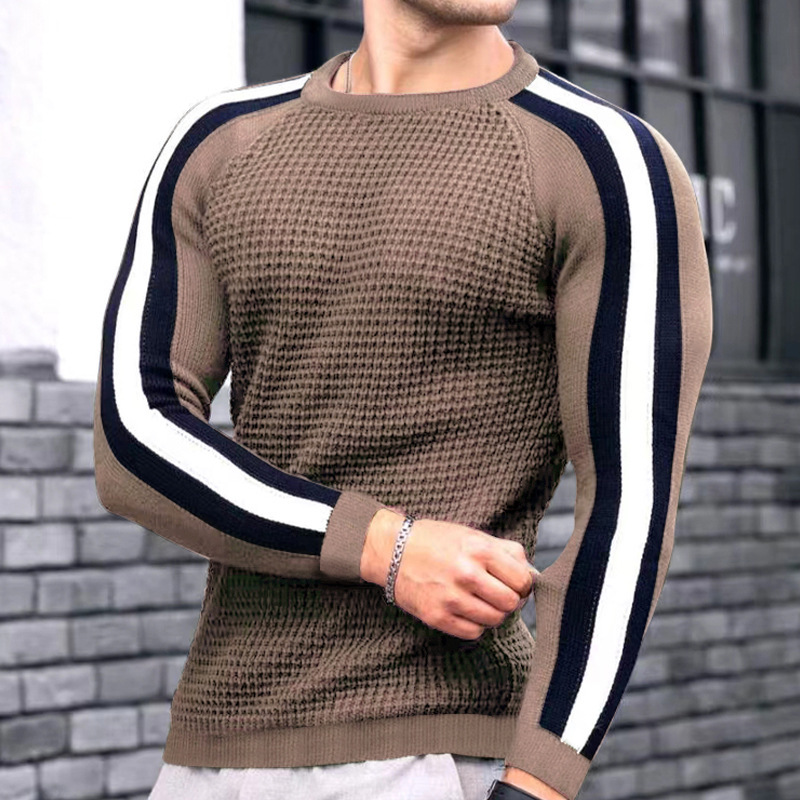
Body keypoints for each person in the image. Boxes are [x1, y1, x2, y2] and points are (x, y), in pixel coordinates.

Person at [92, 3, 713, 799]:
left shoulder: (604, 159)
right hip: (208, 755)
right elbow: (134, 438)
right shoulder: (218, 140)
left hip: (433, 752)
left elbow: (630, 509)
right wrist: (384, 544)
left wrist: (540, 782)